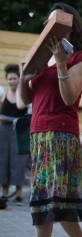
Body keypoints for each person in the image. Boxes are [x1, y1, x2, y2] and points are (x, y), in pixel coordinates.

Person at [17, 2, 82, 237]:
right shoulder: (43, 60)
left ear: (70, 27)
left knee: (45, 198)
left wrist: (62, 62)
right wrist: (24, 80)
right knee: (57, 200)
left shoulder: (79, 59)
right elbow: (23, 102)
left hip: (60, 135)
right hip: (39, 135)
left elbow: (68, 97)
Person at [0, 64, 29, 208]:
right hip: (4, 131)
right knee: (3, 161)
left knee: (19, 162)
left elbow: (21, 107)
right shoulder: (3, 94)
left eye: (14, 78)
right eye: (10, 79)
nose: (12, 81)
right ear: (7, 80)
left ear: (19, 79)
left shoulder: (22, 93)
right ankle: (4, 192)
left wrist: (18, 89)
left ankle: (18, 193)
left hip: (19, 132)